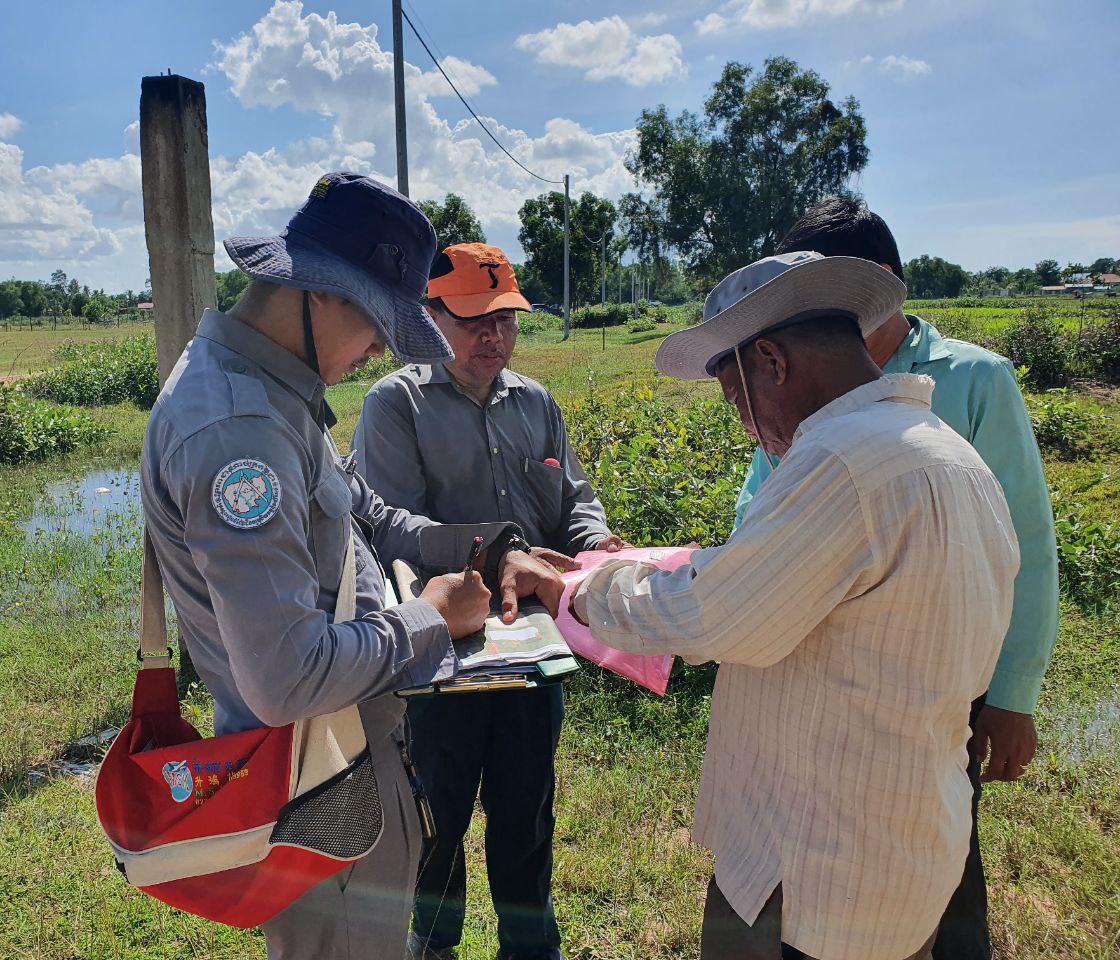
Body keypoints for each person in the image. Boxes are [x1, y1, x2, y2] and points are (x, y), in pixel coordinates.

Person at [140, 172, 565, 960]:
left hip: (346, 763)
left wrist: (496, 548)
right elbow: (286, 676)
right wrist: (431, 619)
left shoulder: (272, 394)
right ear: (321, 294)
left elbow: (369, 513)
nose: (378, 351)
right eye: (377, 324)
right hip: (317, 784)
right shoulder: (241, 431)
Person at [570, 251, 1020, 960]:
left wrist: (576, 587)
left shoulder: (840, 460)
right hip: (908, 846)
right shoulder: (953, 457)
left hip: (817, 873)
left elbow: (710, 616)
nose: (748, 427)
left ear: (772, 362)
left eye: (737, 400)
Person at [735, 197, 1058, 960]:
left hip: (938, 671)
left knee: (938, 843)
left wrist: (1013, 696)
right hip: (825, 665)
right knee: (830, 844)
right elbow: (757, 509)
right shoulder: (802, 379)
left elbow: (1027, 547)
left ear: (873, 285)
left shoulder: (973, 380)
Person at [352, 242, 622, 960]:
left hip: (532, 654)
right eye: (473, 318)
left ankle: (531, 949)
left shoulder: (535, 403)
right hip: (442, 657)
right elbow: (394, 536)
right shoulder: (395, 406)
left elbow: (574, 502)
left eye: (506, 317)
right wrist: (498, 552)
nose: (493, 336)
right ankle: (431, 942)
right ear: (427, 316)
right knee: (436, 815)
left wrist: (599, 544)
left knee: (526, 812)